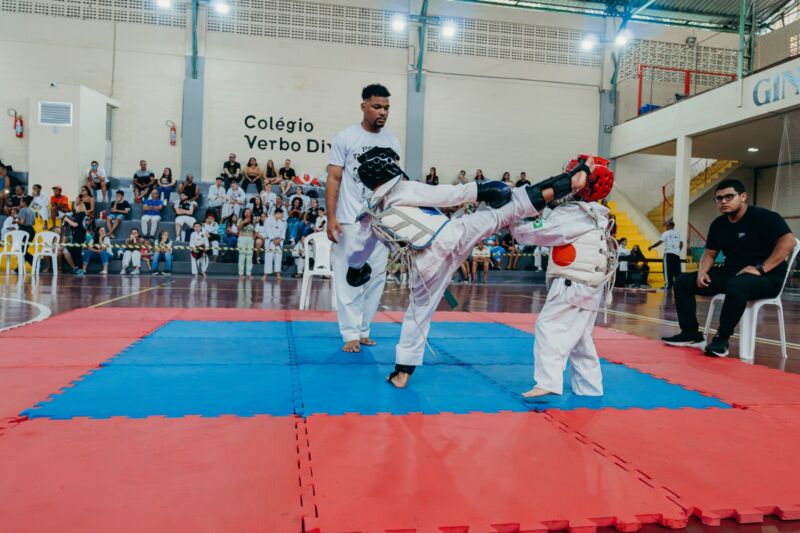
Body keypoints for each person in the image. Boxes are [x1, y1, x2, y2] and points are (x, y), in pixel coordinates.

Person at [343, 151, 602, 388]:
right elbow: (451, 195)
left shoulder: (369, 216)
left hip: (425, 267)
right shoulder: (404, 189)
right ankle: (569, 181)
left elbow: (358, 252)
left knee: (418, 313)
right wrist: (481, 189)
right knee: (508, 210)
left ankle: (403, 371)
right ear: (388, 170)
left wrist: (356, 268)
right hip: (452, 237)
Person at [509, 162, 617, 398]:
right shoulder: (596, 214)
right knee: (580, 337)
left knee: (548, 326)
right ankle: (590, 387)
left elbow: (536, 232)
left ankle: (548, 382)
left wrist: (513, 224)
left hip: (572, 284)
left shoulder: (572, 214)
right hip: (589, 286)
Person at [662, 179, 795, 357]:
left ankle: (722, 339)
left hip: (767, 278)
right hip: (732, 274)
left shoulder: (764, 217)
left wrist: (761, 268)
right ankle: (691, 334)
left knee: (738, 284)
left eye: (729, 197)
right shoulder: (718, 224)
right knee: (683, 282)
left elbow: (788, 242)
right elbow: (709, 254)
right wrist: (702, 271)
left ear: (743, 197)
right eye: (719, 198)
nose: (723, 201)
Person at [326, 83, 397, 353]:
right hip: (350, 219)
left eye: (387, 108)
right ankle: (350, 333)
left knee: (377, 277)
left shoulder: (392, 140)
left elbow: (394, 183)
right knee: (348, 277)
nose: (383, 112)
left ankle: (365, 328)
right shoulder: (346, 137)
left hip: (382, 221)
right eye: (377, 106)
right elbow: (333, 179)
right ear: (364, 106)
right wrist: (331, 218)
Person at [649, 221, 683, 290]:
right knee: (677, 271)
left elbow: (659, 242)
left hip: (668, 253)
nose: (665, 227)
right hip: (677, 254)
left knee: (668, 270)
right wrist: (678, 251)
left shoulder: (666, 233)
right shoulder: (678, 233)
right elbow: (681, 245)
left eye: (666, 226)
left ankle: (668, 285)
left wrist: (651, 247)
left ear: (668, 226)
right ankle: (678, 286)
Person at [262, 210, 286, 281]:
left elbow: (283, 233)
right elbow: (268, 230)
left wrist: (280, 240)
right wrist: (273, 239)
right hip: (270, 241)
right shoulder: (268, 220)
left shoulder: (282, 223)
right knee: (269, 257)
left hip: (279, 241)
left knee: (278, 258)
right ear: (278, 213)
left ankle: (278, 274)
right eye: (281, 214)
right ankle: (265, 275)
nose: (282, 216)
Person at [237, 207, 256, 279]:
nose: (248, 213)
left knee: (249, 256)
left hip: (250, 239)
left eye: (249, 212)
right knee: (242, 255)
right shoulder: (240, 220)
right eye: (246, 212)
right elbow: (238, 228)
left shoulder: (253, 221)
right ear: (244, 213)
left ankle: (249, 273)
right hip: (242, 238)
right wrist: (244, 222)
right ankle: (241, 273)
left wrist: (254, 236)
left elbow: (254, 231)